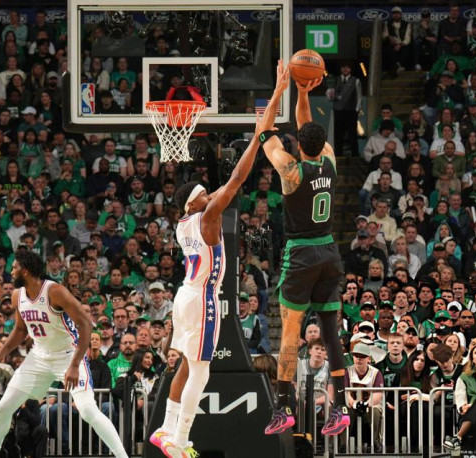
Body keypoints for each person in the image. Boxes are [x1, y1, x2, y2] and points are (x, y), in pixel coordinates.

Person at [147, 66, 268, 457]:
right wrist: (257, 137)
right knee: (201, 370)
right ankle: (179, 438)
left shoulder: (185, 222)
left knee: (186, 365)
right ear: (194, 202)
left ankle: (166, 431)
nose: (209, 194)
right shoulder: (206, 217)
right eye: (203, 193)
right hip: (202, 299)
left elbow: (218, 191)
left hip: (186, 296)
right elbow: (235, 181)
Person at [259, 66, 350, 437]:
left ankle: (284, 407)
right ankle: (341, 407)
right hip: (329, 250)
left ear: (298, 145)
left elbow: (265, 132)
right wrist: (303, 92)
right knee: (330, 333)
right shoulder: (329, 157)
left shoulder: (290, 170)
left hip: (300, 253)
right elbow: (307, 125)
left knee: (290, 332)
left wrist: (279, 90)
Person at [0, 250, 128, 458]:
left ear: (25, 270)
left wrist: (75, 364)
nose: (11, 272)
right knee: (4, 407)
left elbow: (86, 324)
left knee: (88, 410)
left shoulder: (55, 291)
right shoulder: (17, 295)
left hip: (68, 355)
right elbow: (21, 330)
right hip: (38, 356)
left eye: (14, 268)